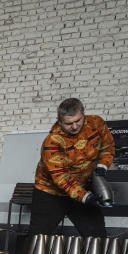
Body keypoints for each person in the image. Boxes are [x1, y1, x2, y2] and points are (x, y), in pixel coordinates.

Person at [31, 98, 114, 237]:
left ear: (83, 114)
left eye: (78, 120)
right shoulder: (52, 141)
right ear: (59, 121)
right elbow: (61, 177)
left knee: (96, 234)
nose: (75, 126)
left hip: (81, 187)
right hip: (51, 193)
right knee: (38, 238)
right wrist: (85, 197)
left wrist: (102, 166)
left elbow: (108, 147)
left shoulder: (96, 124)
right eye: (69, 123)